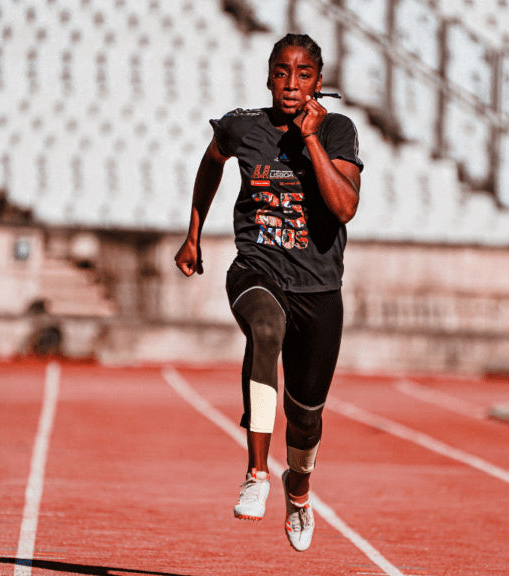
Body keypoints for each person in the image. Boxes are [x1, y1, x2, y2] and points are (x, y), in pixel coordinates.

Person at [174, 33, 362, 552]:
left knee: (306, 420)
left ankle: (296, 491)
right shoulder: (242, 127)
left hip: (320, 288)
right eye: (282, 72)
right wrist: (193, 233)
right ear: (268, 76)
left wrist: (312, 141)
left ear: (318, 83)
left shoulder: (339, 130)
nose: (291, 84)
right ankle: (256, 473)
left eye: (304, 75)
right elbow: (212, 162)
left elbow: (344, 207)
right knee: (265, 328)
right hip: (256, 268)